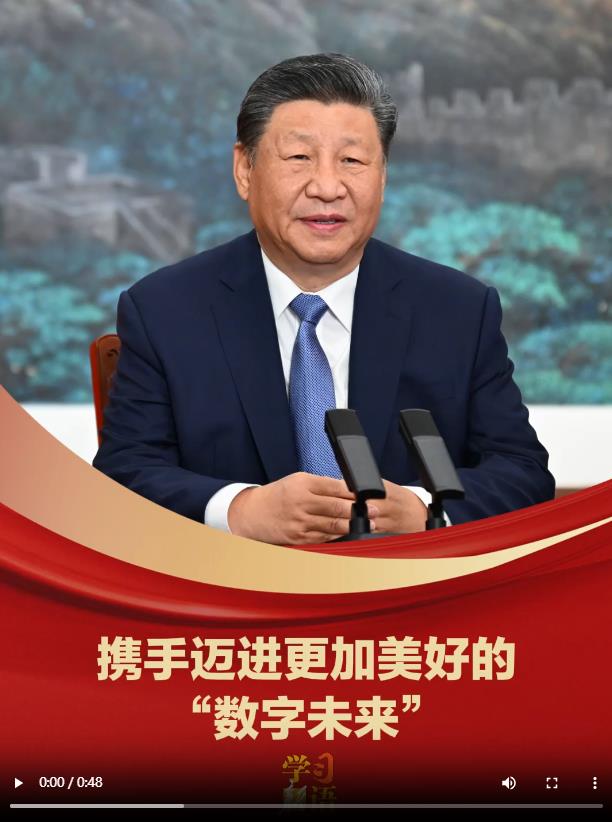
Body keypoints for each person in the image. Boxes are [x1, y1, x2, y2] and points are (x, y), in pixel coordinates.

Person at [93, 53, 555, 544]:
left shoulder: (458, 311)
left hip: (406, 588)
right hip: (234, 586)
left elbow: (523, 473)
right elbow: (124, 474)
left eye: (352, 161)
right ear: (245, 169)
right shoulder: (166, 310)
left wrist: (423, 509)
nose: (328, 188)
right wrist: (241, 509)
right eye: (299, 158)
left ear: (383, 176)